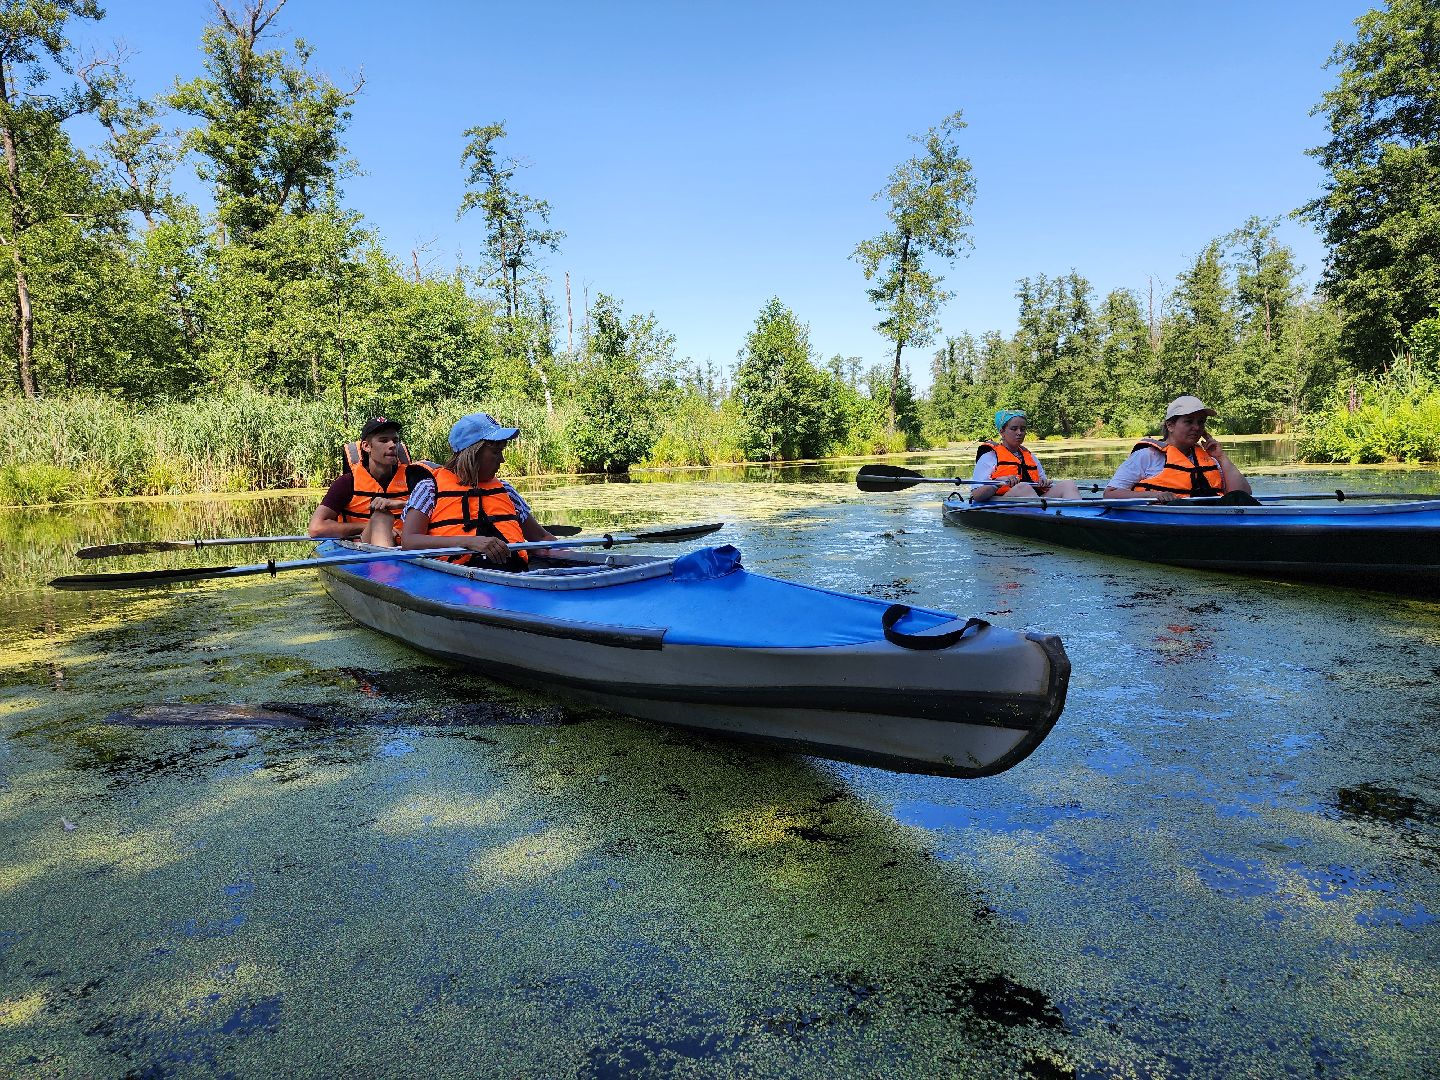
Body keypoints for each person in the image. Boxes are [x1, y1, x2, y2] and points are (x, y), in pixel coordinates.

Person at [400, 412, 556, 569]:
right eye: (496, 452)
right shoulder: (429, 488)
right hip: (454, 575)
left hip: (514, 574)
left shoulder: (506, 490)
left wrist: (567, 553)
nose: (502, 460)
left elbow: (541, 537)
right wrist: (467, 542)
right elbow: (410, 542)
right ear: (472, 453)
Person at [1104, 395, 1253, 504]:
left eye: (1201, 422)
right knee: (1180, 504)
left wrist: (1221, 457)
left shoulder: (1210, 459)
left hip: (1210, 519)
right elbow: (1110, 494)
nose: (1197, 427)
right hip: (1167, 518)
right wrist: (1153, 495)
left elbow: (1243, 495)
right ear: (1170, 425)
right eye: (1189, 421)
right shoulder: (1147, 456)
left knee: (1239, 498)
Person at [308, 416, 418, 546]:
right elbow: (316, 528)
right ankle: (385, 556)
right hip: (362, 548)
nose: (392, 445)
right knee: (381, 517)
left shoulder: (413, 477)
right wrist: (366, 526)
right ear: (366, 446)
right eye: (384, 440)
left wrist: (400, 504)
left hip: (405, 547)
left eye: (395, 440)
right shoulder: (347, 482)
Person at [971, 409, 1082, 503]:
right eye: (1014, 429)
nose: (1019, 433)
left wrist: (1044, 483)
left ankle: (1077, 516)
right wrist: (998, 483)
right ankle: (1044, 516)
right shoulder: (989, 457)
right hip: (1002, 502)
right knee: (1023, 487)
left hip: (1034, 501)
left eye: (1023, 429)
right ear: (1002, 432)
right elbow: (976, 495)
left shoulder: (1030, 457)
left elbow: (1043, 484)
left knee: (1068, 484)